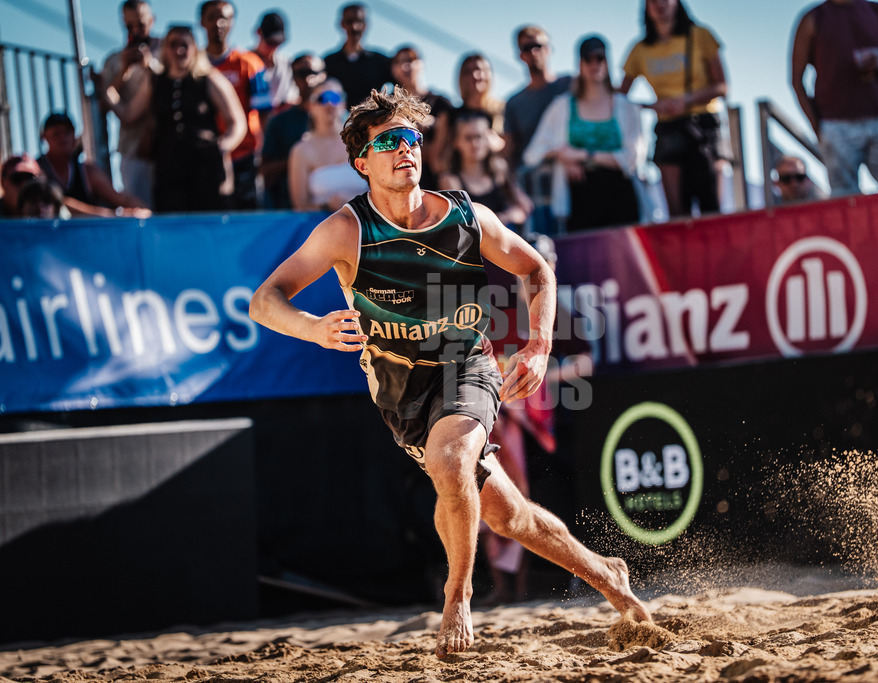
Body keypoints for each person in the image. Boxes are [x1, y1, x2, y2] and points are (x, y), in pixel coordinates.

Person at [248, 86, 652, 659]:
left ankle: (458, 596)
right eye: (386, 141)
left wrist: (538, 345)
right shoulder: (346, 230)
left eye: (409, 137)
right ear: (361, 162)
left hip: (468, 366)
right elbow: (264, 301)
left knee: (451, 460)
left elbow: (537, 270)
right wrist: (314, 328)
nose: (402, 149)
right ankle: (609, 574)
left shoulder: (465, 215)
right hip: (399, 394)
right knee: (508, 516)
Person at [110, 25, 246, 213]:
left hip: (206, 168)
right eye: (173, 44)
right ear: (165, 49)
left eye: (185, 45)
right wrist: (109, 92)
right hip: (168, 169)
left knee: (210, 224)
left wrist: (223, 146)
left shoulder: (208, 79)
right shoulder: (155, 82)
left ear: (194, 49)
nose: (179, 50)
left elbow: (237, 122)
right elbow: (128, 114)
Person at [524, 35, 644, 233]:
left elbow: (632, 159)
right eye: (588, 59)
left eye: (600, 58)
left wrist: (583, 155)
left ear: (607, 62)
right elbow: (532, 154)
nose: (594, 64)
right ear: (579, 64)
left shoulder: (626, 106)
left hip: (622, 198)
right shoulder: (562, 106)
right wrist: (562, 155)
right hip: (578, 199)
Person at [621, 0, 729, 218]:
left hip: (705, 125)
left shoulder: (700, 36)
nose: (660, 4)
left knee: (712, 209)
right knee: (679, 214)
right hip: (669, 129)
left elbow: (722, 86)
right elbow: (620, 98)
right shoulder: (640, 49)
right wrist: (652, 105)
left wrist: (687, 100)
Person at [791, 0, 878, 196]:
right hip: (836, 125)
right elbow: (796, 79)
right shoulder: (813, 18)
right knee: (844, 196)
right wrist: (818, 128)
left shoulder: (877, 11)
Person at [199, 0, 273, 210]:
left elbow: (265, 113)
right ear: (202, 22)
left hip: (244, 157)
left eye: (224, 18)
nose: (218, 23)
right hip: (205, 158)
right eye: (212, 17)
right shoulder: (194, 65)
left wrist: (262, 154)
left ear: (232, 23)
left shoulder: (249, 63)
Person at [97, 0, 160, 208]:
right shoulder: (114, 60)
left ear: (151, 21)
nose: (135, 31)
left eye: (140, 25)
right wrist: (124, 69)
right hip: (132, 149)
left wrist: (149, 64)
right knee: (140, 208)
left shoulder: (168, 49)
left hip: (166, 144)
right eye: (128, 26)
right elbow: (105, 103)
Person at [36, 112, 151, 218]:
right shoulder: (37, 169)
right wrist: (113, 215)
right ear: (44, 137)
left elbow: (120, 199)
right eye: (56, 133)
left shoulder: (87, 171)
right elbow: (61, 203)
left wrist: (141, 210)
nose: (63, 138)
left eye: (67, 132)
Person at [438, 111, 531, 230]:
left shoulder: (500, 169)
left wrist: (515, 214)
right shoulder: (449, 180)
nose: (475, 143)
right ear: (456, 142)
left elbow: (525, 206)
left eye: (479, 136)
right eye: (468, 138)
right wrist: (504, 218)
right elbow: (464, 223)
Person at [288, 79, 367, 211]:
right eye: (322, 99)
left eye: (335, 98)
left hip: (366, 224)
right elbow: (300, 206)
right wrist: (327, 206)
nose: (329, 104)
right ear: (310, 106)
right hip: (322, 226)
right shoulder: (301, 151)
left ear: (343, 103)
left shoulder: (361, 142)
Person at [504, 26, 573, 176]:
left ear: (548, 49)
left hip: (571, 173)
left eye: (538, 46)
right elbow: (509, 153)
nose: (534, 52)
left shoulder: (571, 86)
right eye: (527, 48)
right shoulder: (514, 103)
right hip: (531, 181)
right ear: (520, 55)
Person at [261, 54, 326, 209]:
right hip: (291, 212)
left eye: (313, 73)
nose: (308, 80)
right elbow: (265, 171)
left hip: (336, 210)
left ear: (324, 76)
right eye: (301, 74)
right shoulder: (280, 121)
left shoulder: (341, 120)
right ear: (293, 79)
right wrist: (301, 159)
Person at [390, 45, 453, 190]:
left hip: (438, 179)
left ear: (421, 64)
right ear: (393, 69)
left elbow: (439, 151)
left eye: (411, 60)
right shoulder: (390, 104)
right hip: (402, 178)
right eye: (400, 62)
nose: (406, 66)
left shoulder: (441, 102)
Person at [323, 3, 392, 109]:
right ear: (342, 24)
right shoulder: (328, 62)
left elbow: (401, 88)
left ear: (366, 25)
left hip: (374, 122)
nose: (354, 27)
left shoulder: (381, 61)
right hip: (340, 123)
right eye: (349, 21)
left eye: (359, 21)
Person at [453, 54, 505, 155]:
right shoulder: (453, 116)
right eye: (468, 72)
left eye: (480, 70)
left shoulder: (501, 110)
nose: (475, 75)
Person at [252, 11, 298, 110]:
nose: (273, 47)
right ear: (258, 32)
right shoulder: (244, 63)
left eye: (277, 42)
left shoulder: (288, 64)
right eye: (270, 42)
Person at [1, 154, 43, 218]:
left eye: (30, 179)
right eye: (17, 178)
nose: (24, 186)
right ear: (3, 183)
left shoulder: (49, 212)